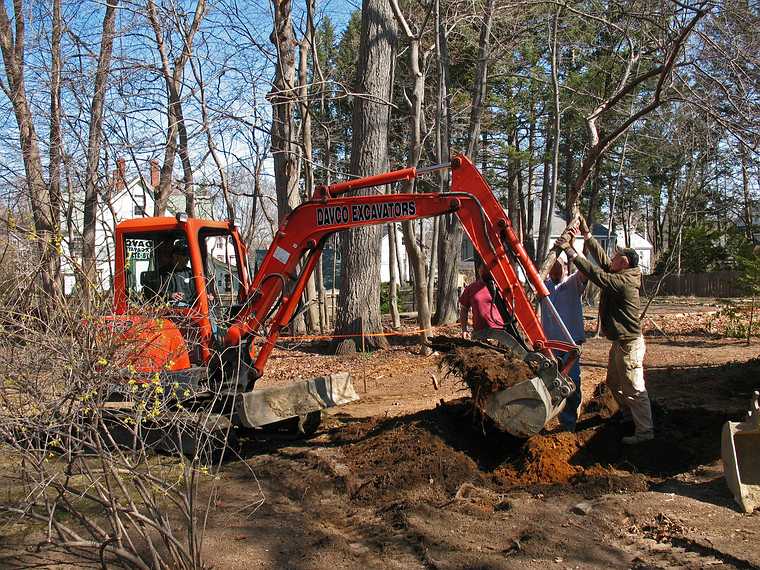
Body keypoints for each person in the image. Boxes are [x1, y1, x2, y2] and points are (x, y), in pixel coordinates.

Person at [556, 219, 653, 444]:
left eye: (617, 256)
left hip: (630, 344)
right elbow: (601, 260)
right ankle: (628, 417)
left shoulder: (624, 282)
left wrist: (571, 251)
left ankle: (645, 432)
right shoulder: (621, 271)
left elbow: (598, 275)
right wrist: (587, 235)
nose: (612, 258)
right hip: (620, 342)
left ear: (625, 262)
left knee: (634, 387)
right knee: (614, 383)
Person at [541, 257, 587, 432]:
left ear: (567, 267)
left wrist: (571, 248)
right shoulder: (543, 285)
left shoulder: (573, 281)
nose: (555, 269)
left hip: (571, 344)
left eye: (559, 265)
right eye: (552, 266)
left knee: (571, 382)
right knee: (549, 384)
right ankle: (549, 419)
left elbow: (585, 269)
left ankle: (569, 424)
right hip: (550, 344)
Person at [459, 264, 505, 339]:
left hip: (500, 334)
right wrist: (464, 329)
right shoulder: (471, 288)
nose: (485, 270)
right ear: (478, 269)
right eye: (483, 267)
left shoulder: (500, 288)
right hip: (479, 333)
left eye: (488, 267)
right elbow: (464, 309)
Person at [160, 242, 195, 306]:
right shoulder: (164, 272)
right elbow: (160, 291)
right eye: (184, 255)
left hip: (193, 306)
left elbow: (196, 290)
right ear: (175, 256)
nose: (187, 258)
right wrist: (171, 295)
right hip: (174, 309)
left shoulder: (190, 272)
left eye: (188, 256)